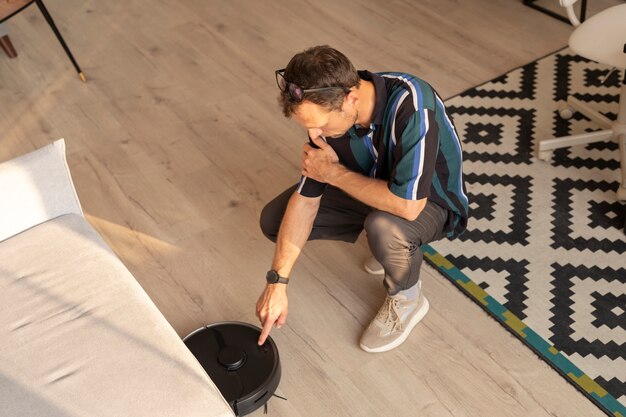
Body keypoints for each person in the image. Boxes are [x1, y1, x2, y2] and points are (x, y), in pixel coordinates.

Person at [256, 45, 468, 353]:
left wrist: (332, 174)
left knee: (386, 227)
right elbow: (306, 201)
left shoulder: (414, 106)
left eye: (322, 125)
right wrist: (277, 282)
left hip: (429, 201)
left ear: (351, 99)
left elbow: (408, 207)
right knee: (274, 220)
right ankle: (384, 245)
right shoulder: (328, 110)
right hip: (369, 186)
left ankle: (407, 298)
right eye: (308, 126)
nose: (316, 134)